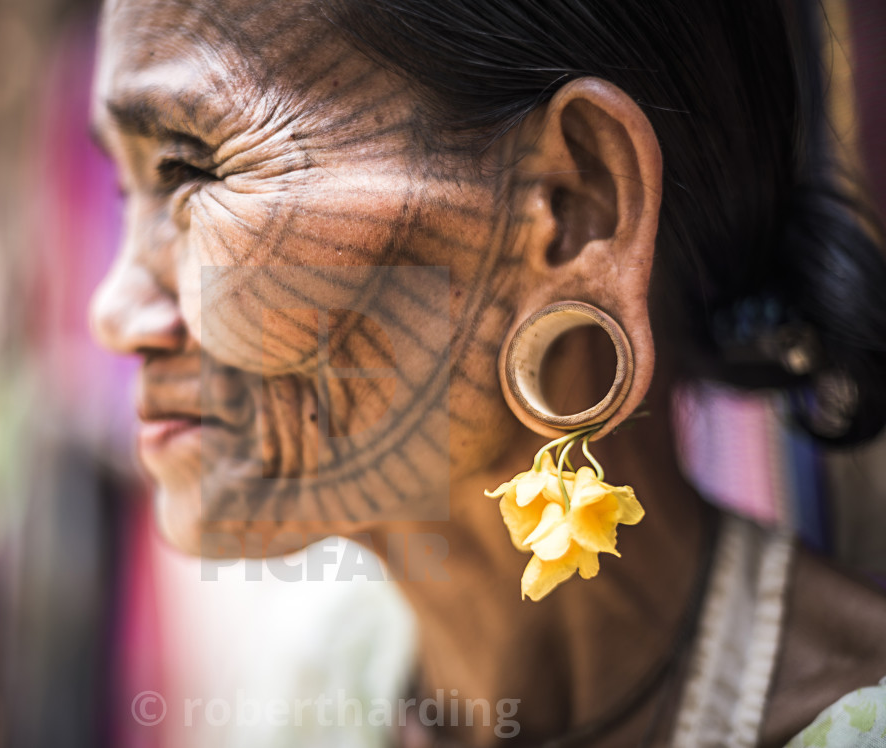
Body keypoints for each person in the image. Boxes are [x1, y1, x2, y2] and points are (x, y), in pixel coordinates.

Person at [88, 0, 886, 744]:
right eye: (128, 189)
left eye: (190, 170)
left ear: (574, 209)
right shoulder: (307, 683)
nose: (113, 315)